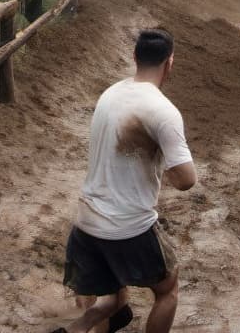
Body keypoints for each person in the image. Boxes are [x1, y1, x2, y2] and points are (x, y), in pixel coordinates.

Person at [53, 30, 197, 333]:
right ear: (170, 63)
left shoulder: (110, 93)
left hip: (86, 223)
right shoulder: (163, 111)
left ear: (134, 57)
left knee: (112, 300)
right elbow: (186, 180)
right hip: (129, 227)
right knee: (167, 289)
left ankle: (79, 327)